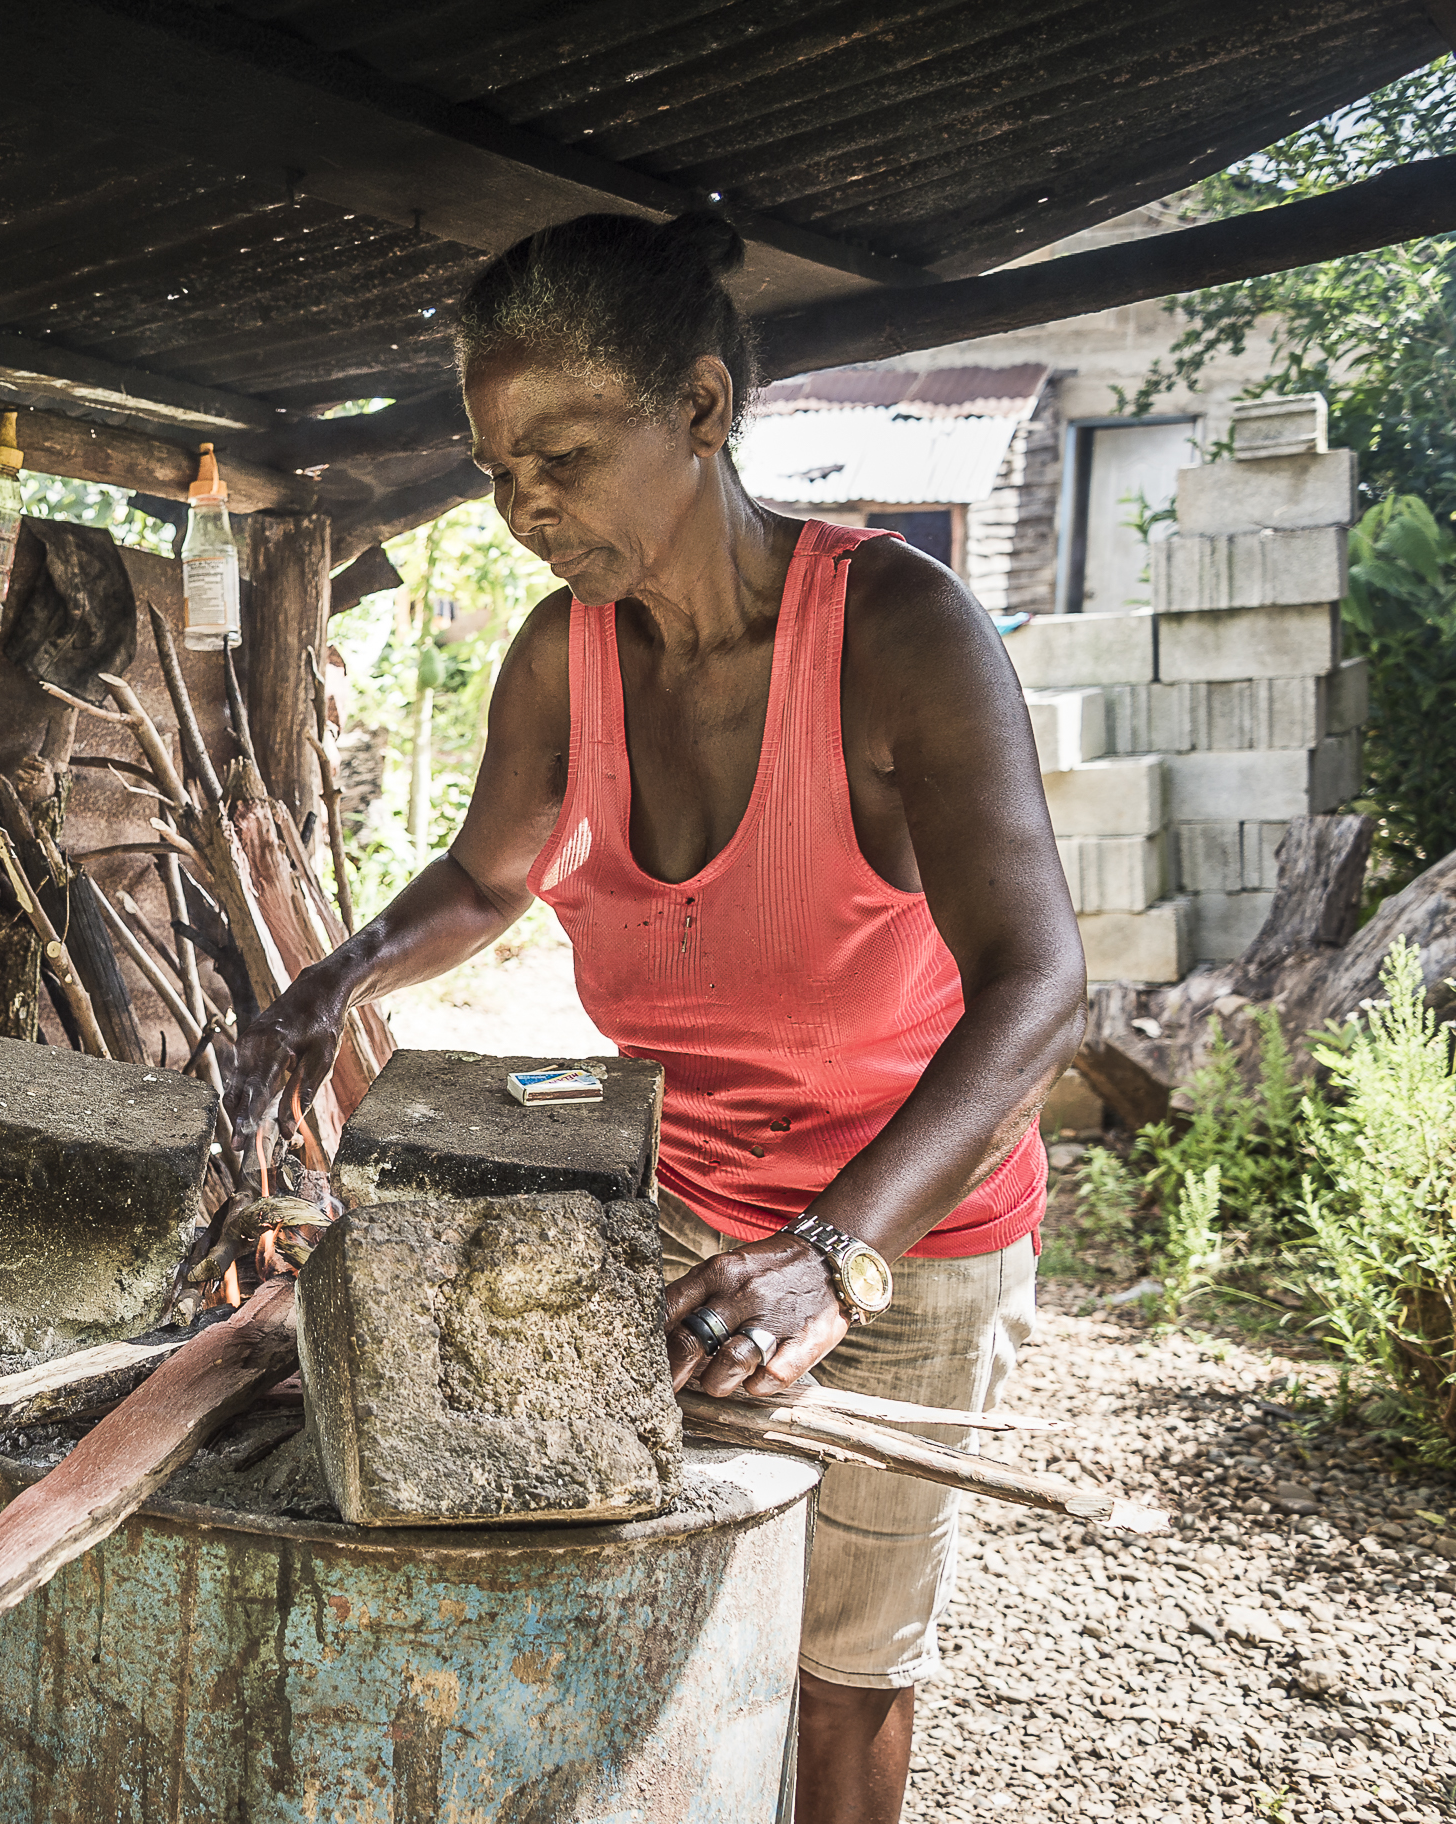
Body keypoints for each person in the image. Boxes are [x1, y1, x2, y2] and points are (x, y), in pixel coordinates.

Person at [224, 211, 1083, 1824]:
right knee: (643, 1598)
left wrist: (836, 1258)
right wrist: (314, 995)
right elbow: (484, 882)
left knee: (843, 1670)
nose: (527, 504)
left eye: (562, 451)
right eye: (498, 471)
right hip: (687, 1212)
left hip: (913, 1226)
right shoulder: (565, 658)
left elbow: (1041, 990)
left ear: (699, 407)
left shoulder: (898, 636)